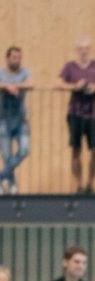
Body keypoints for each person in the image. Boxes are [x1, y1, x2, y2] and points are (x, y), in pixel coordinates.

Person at [57, 37, 95, 194]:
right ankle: (79, 184)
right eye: (81, 48)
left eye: (86, 48)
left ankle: (90, 183)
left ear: (90, 49)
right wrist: (75, 86)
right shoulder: (70, 67)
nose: (84, 51)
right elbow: (58, 83)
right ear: (77, 50)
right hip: (75, 113)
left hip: (93, 115)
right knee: (76, 149)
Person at [0, 47, 34, 196]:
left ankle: (2, 177)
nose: (17, 60)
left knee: (24, 150)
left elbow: (30, 84)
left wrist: (15, 86)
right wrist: (7, 86)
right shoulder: (1, 73)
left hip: (21, 120)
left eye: (19, 57)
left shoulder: (24, 72)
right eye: (14, 57)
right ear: (7, 58)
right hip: (3, 120)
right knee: (7, 155)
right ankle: (12, 185)